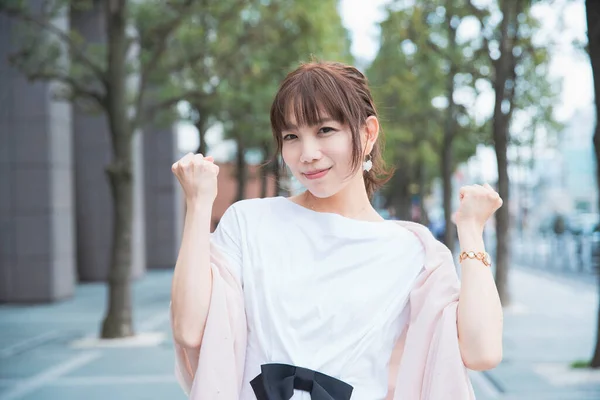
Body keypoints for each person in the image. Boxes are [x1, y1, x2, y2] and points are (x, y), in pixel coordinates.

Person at [169, 61, 504, 400]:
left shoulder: (411, 251)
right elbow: (189, 329)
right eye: (291, 137)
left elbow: (481, 351)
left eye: (325, 130)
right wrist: (198, 205)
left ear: (367, 133)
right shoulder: (249, 222)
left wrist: (472, 230)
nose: (307, 154)